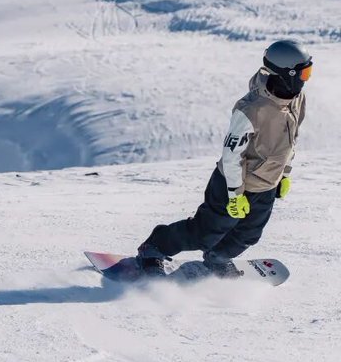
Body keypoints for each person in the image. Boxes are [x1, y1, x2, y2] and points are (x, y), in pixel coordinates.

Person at [105, 40, 312, 281]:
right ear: (287, 73)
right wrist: (235, 194)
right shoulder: (251, 109)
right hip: (233, 183)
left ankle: (217, 258)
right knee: (204, 232)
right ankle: (155, 247)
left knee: (249, 233)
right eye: (304, 72)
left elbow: (292, 138)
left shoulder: (297, 98)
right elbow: (232, 154)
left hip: (266, 184)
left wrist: (284, 174)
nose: (307, 78)